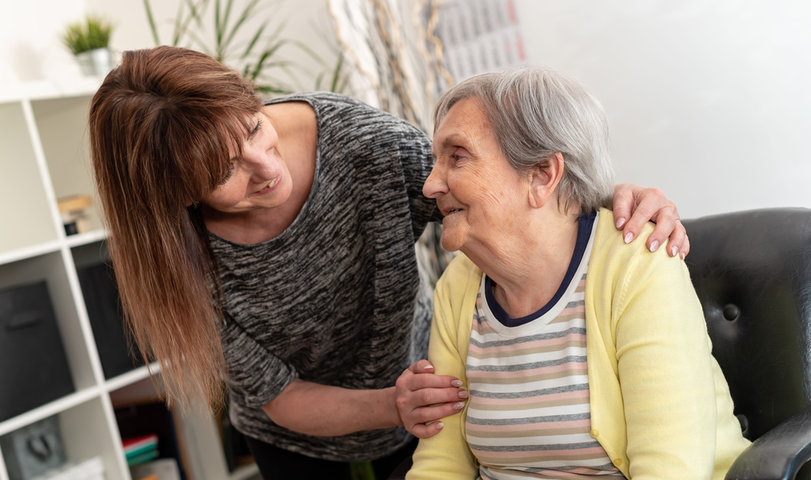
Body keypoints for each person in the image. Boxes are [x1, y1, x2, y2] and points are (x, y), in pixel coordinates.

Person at [87, 46, 690, 479]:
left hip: (422, 406)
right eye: (225, 172)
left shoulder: (359, 145)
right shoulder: (178, 256)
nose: (267, 168)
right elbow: (280, 395)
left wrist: (616, 197)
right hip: (298, 438)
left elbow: (491, 187)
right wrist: (391, 404)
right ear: (181, 197)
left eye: (254, 128)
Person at [406, 68, 750, 479]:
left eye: (457, 156)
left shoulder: (634, 265)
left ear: (541, 175)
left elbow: (670, 469)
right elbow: (440, 465)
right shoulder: (459, 287)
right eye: (436, 161)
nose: (430, 185)